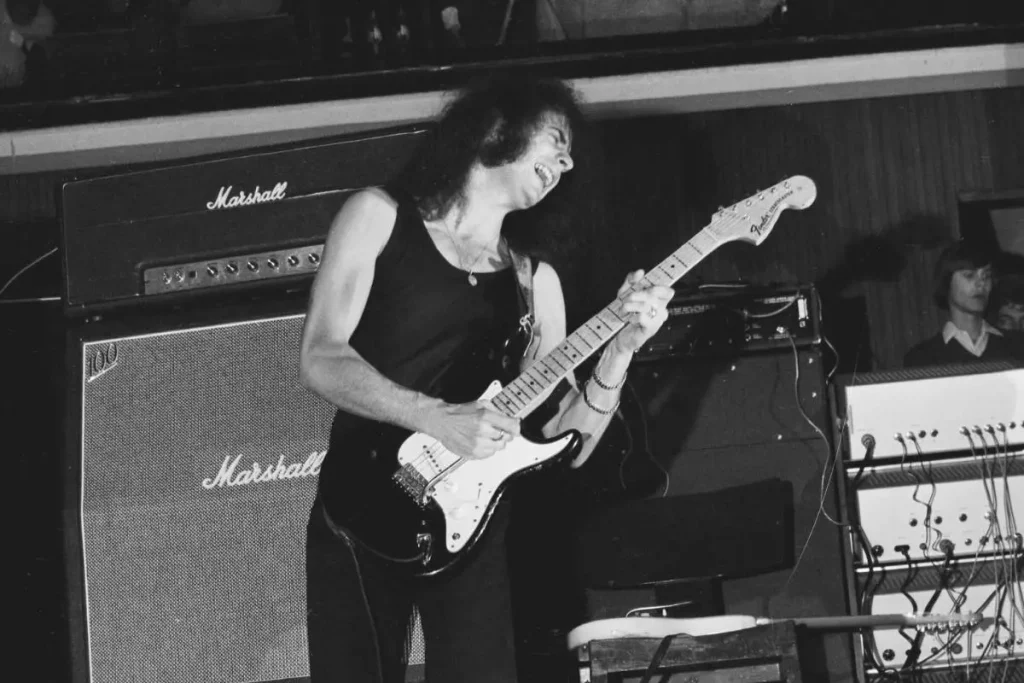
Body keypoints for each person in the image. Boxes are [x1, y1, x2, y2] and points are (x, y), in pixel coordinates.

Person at [298, 73, 673, 683]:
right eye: (555, 141)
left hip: (472, 526)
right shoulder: (378, 216)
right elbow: (319, 357)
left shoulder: (535, 282)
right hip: (364, 501)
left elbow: (568, 440)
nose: (566, 162)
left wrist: (620, 351)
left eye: (570, 156)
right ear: (498, 129)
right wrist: (436, 418)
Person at [903, 241, 1022, 368]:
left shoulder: (1018, 345)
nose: (981, 284)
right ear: (946, 282)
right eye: (969, 275)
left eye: (986, 276)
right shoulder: (922, 357)